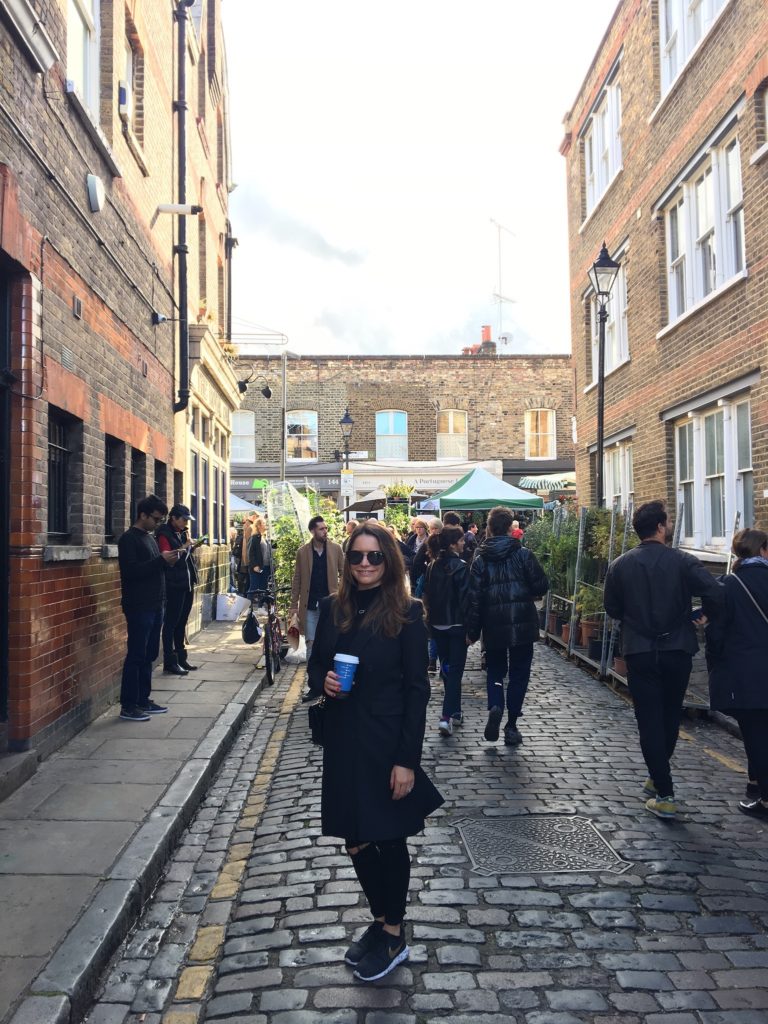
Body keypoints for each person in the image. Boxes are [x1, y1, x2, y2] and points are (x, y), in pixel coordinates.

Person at [307, 520, 443, 982]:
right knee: (355, 837)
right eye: (358, 556)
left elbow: (417, 691)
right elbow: (317, 665)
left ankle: (393, 931)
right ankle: (382, 918)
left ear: (389, 561)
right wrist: (322, 680)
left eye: (375, 556)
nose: (365, 564)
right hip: (344, 741)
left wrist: (407, 760)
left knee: (388, 837)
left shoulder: (407, 612)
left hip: (386, 744)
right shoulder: (333, 608)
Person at [603, 500, 723, 820]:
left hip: (640, 650)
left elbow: (612, 609)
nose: (668, 525)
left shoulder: (619, 565)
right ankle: (661, 783)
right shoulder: (683, 561)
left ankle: (663, 787)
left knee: (648, 719)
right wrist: (701, 614)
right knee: (669, 716)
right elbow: (715, 592)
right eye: (667, 521)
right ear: (659, 527)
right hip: (677, 649)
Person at [466, 505, 548, 747]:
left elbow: (474, 599)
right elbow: (541, 585)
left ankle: (496, 705)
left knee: (495, 670)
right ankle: (511, 725)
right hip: (522, 625)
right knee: (520, 674)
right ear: (511, 528)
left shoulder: (480, 560)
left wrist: (472, 632)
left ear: (489, 528)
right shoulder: (524, 555)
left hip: (493, 626)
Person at [704, 528, 768, 819]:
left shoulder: (729, 585)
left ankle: (766, 801)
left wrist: (715, 662)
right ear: (762, 550)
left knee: (755, 735)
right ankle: (755, 785)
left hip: (746, 674)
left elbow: (716, 634)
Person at [117, 495, 177, 721]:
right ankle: (128, 705)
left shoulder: (150, 538)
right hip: (139, 606)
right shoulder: (129, 540)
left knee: (150, 654)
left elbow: (154, 568)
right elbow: (132, 572)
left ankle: (143, 699)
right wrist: (161, 560)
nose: (158, 523)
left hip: (155, 604)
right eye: (156, 519)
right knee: (136, 655)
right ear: (142, 515)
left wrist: (168, 561)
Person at [423, 526, 470, 737]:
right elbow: (466, 601)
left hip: (438, 625)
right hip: (457, 626)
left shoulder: (433, 565)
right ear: (452, 544)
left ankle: (456, 711)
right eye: (460, 540)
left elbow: (428, 595)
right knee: (455, 672)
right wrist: (472, 628)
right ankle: (445, 717)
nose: (464, 543)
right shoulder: (460, 566)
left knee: (448, 669)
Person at [289, 515, 344, 660]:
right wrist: (294, 604)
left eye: (326, 528)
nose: (325, 531)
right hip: (310, 604)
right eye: (321, 529)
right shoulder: (302, 552)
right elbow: (297, 579)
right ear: (313, 531)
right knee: (311, 642)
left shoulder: (336, 549)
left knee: (330, 641)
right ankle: (311, 678)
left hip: (330, 604)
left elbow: (344, 573)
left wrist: (343, 595)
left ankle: (326, 674)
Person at [156, 505, 199, 675]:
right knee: (171, 623)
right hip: (173, 584)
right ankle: (169, 661)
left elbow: (183, 556)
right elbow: (168, 557)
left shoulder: (181, 533)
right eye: (183, 519)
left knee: (182, 622)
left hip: (186, 583)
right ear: (173, 518)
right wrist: (186, 545)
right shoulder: (164, 533)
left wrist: (190, 546)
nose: (185, 523)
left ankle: (181, 658)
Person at [246, 516, 272, 599]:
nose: (266, 525)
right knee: (254, 587)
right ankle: (248, 606)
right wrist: (254, 565)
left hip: (265, 566)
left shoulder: (264, 537)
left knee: (263, 587)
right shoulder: (255, 538)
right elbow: (250, 552)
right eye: (264, 523)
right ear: (259, 526)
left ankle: (261, 606)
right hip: (257, 567)